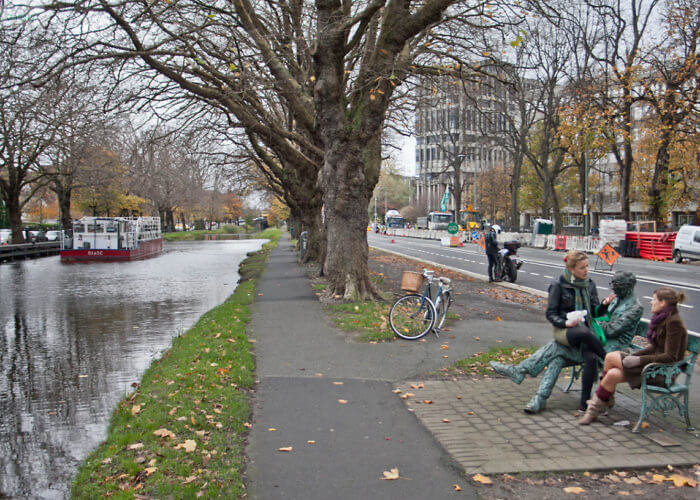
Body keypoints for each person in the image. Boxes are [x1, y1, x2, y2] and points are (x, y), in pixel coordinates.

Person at [490, 271, 643, 413]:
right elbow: (602, 320)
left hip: (611, 349)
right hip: (597, 341)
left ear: (628, 286)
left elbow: (611, 330)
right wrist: (592, 319)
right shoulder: (617, 300)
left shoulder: (635, 307)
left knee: (559, 349)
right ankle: (539, 397)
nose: (614, 289)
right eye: (613, 285)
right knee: (558, 355)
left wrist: (589, 322)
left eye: (617, 286)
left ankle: (522, 373)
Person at [579, 287, 688, 425]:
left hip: (662, 372)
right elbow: (655, 347)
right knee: (612, 374)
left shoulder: (674, 322)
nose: (651, 302)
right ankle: (594, 410)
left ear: (663, 303)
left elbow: (670, 357)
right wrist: (636, 356)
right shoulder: (663, 318)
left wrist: (638, 359)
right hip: (652, 365)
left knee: (611, 357)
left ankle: (603, 400)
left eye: (654, 299)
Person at [547, 250, 616, 409]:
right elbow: (551, 314)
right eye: (582, 268)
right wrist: (566, 323)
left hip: (586, 331)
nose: (586, 270)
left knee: (591, 358)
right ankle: (607, 359)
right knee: (584, 332)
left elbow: (594, 312)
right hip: (564, 330)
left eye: (587, 266)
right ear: (571, 269)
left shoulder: (590, 284)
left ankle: (584, 403)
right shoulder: (558, 285)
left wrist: (604, 304)